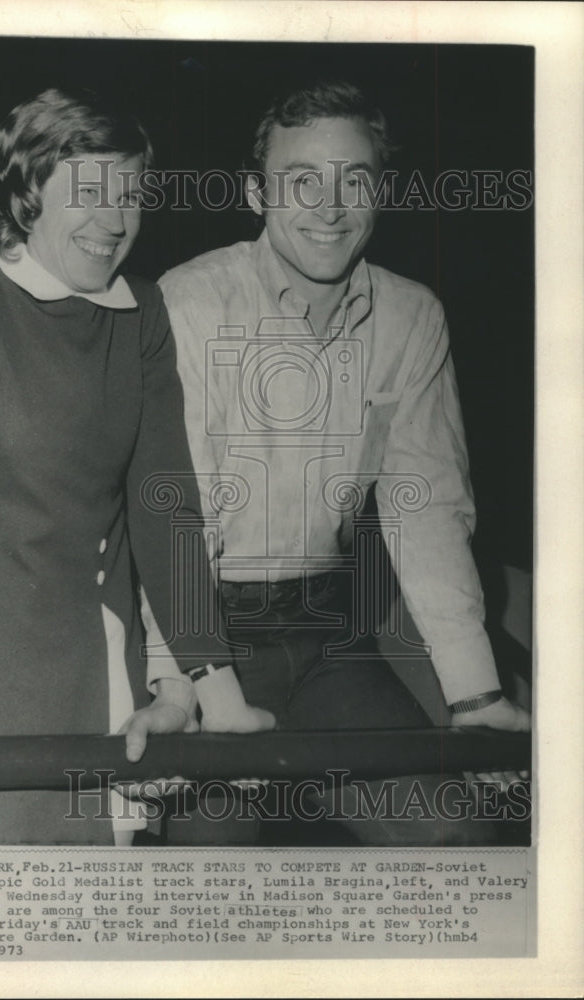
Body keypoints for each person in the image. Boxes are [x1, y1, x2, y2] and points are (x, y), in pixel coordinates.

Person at [0, 87, 272, 846]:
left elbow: (167, 511)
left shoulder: (142, 312)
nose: (114, 221)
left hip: (97, 668)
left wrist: (217, 694)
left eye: (130, 195)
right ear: (29, 194)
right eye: (88, 194)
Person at [147, 79, 530, 845]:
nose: (330, 207)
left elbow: (426, 512)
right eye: (301, 182)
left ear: (380, 191)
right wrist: (181, 683)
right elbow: (172, 515)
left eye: (353, 180)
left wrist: (474, 694)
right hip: (204, 638)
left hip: (328, 637)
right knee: (212, 878)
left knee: (457, 839)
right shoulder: (189, 302)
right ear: (257, 192)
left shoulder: (413, 316)